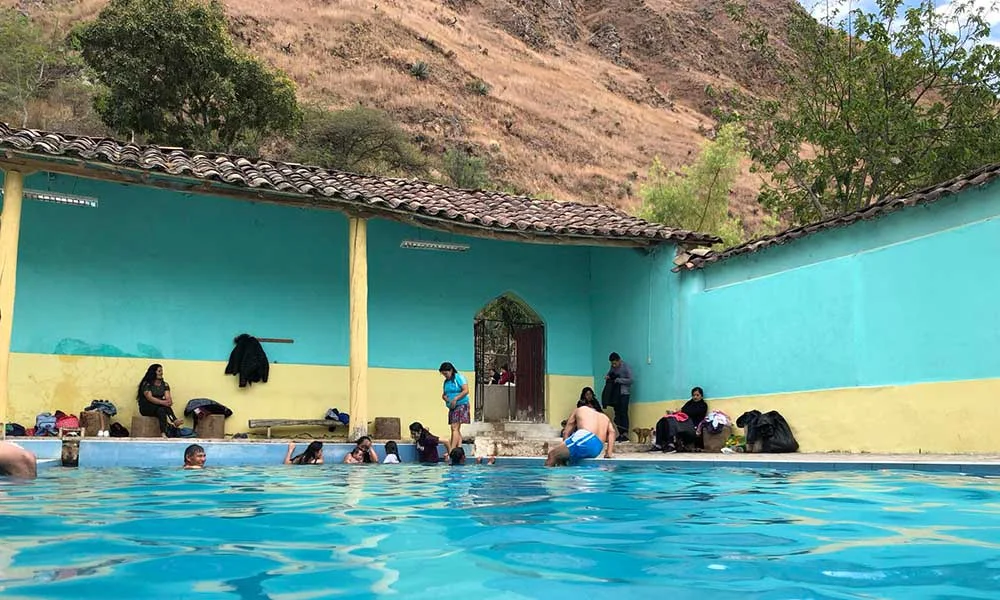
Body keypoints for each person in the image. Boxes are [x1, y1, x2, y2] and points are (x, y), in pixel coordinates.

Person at [546, 400, 616, 466]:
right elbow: (612, 432)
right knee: (571, 461)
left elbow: (566, 432)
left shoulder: (579, 410)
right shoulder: (605, 417)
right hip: (597, 448)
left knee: (552, 455)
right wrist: (608, 453)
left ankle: (544, 478)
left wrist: (564, 447)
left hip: (585, 438)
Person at [652, 387, 708, 453]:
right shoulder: (689, 403)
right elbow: (683, 411)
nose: (695, 397)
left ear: (701, 396)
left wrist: (682, 412)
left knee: (671, 421)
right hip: (683, 423)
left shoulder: (703, 405)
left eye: (697, 395)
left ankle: (671, 445)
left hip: (692, 426)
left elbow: (693, 412)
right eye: (693, 395)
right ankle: (659, 445)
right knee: (663, 420)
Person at [137, 364, 184, 437]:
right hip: (147, 407)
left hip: (159, 407)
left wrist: (168, 401)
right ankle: (174, 420)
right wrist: (163, 402)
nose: (161, 373)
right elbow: (150, 398)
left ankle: (163, 433)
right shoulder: (147, 384)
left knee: (161, 410)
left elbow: (168, 396)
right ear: (153, 373)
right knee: (162, 406)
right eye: (159, 371)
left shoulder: (165, 384)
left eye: (162, 371)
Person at [439, 362, 470, 452]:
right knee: (456, 428)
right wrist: (446, 398)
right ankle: (459, 448)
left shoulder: (459, 378)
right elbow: (444, 394)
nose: (445, 376)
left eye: (446, 373)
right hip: (452, 407)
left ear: (451, 370)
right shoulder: (446, 382)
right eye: (443, 374)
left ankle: (452, 450)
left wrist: (456, 399)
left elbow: (466, 390)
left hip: (461, 404)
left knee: (454, 427)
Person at [604, 352, 633, 442]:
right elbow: (610, 374)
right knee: (617, 414)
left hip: (624, 393)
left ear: (619, 360)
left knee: (623, 413)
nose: (614, 365)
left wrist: (619, 380)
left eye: (615, 363)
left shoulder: (625, 367)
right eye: (612, 364)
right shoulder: (612, 367)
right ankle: (620, 433)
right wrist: (608, 377)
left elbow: (631, 380)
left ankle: (625, 434)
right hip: (615, 394)